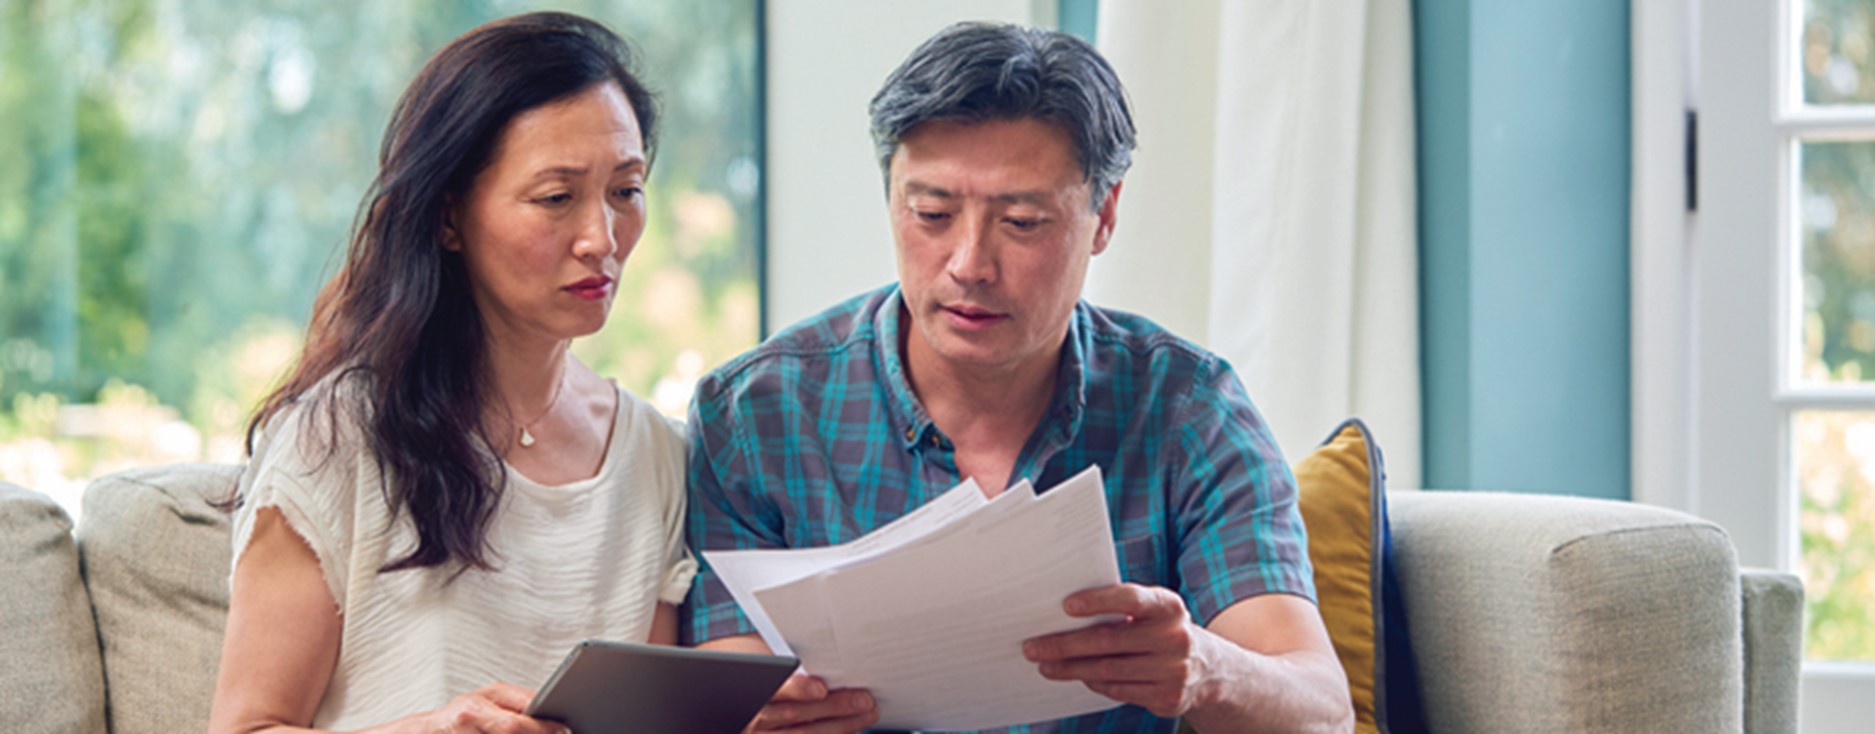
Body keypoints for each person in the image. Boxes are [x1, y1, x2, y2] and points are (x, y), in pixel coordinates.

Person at [683, 20, 1356, 734]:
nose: (969, 262)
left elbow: (1321, 711)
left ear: (1104, 216)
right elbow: (729, 688)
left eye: (1024, 222)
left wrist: (1208, 669)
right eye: (932, 213)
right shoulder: (757, 415)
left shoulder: (1190, 410)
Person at [207, 12, 694, 733]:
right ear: (448, 219)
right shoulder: (338, 437)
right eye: (556, 198)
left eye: (625, 190)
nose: (602, 239)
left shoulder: (655, 451)